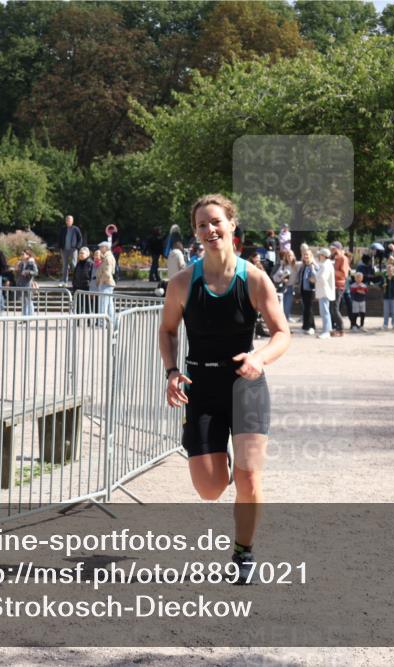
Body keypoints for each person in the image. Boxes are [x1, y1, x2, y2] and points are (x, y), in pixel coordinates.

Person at [158, 193, 289, 585]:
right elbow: (167, 330)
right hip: (201, 388)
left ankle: (243, 552)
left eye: (216, 221)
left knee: (249, 478)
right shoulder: (182, 283)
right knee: (211, 488)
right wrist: (170, 371)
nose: (209, 230)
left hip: (245, 385)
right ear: (196, 232)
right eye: (202, 224)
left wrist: (259, 358)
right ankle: (215, 457)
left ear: (232, 225)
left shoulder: (254, 279)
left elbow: (283, 333)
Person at [314, 247, 335, 339]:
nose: (319, 256)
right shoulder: (327, 264)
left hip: (324, 291)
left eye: (320, 255)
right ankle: (328, 330)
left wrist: (314, 279)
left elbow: (322, 278)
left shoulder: (325, 265)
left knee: (324, 312)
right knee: (325, 311)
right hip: (325, 291)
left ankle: (326, 331)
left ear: (323, 256)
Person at [272, 250, 298, 323]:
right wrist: (281, 278)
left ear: (294, 256)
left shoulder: (297, 265)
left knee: (287, 307)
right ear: (286, 257)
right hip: (283, 288)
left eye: (291, 255)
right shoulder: (283, 265)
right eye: (288, 255)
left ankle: (285, 321)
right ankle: (284, 323)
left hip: (291, 288)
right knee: (282, 308)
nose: (289, 257)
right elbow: (275, 277)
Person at [329, 241, 349, 337]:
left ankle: (341, 330)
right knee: (332, 308)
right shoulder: (335, 258)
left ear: (339, 249)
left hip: (339, 286)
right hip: (333, 286)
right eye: (331, 249)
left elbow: (344, 274)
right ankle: (335, 328)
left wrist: (332, 270)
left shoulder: (343, 258)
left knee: (335, 308)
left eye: (334, 249)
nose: (332, 251)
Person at [59, 215, 83, 285]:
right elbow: (59, 238)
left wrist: (77, 247)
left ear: (72, 221)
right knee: (65, 265)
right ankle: (64, 281)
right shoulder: (63, 229)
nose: (68, 221)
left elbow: (80, 239)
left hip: (73, 249)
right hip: (64, 250)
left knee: (74, 264)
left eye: (70, 220)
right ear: (66, 221)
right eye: (67, 220)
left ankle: (76, 280)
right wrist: (60, 247)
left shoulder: (76, 229)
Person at [299, 248, 318, 335]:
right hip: (303, 289)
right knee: (305, 308)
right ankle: (305, 326)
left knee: (309, 308)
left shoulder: (312, 265)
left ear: (311, 256)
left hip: (310, 290)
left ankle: (311, 327)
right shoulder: (303, 266)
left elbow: (315, 276)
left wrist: (312, 273)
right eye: (304, 254)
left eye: (307, 255)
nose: (305, 256)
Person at [96, 241, 116, 320]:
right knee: (109, 304)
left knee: (103, 304)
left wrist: (101, 282)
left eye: (101, 247)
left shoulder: (107, 258)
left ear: (106, 248)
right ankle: (111, 321)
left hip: (106, 283)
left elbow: (107, 273)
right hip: (107, 283)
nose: (99, 249)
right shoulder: (107, 256)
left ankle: (102, 322)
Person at [15, 248, 39, 316]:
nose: (22, 255)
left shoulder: (31, 262)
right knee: (24, 301)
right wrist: (16, 269)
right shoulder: (21, 263)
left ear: (28, 255)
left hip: (28, 284)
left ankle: (30, 316)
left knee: (29, 301)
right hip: (21, 283)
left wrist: (28, 272)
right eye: (21, 254)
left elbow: (36, 272)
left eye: (23, 254)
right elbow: (19, 273)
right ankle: (24, 316)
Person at [381, 262, 394, 330]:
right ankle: (385, 324)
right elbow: (380, 285)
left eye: (391, 270)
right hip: (386, 297)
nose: (389, 271)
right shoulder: (384, 278)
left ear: (393, 270)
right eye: (388, 270)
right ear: (386, 270)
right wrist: (382, 286)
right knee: (386, 312)